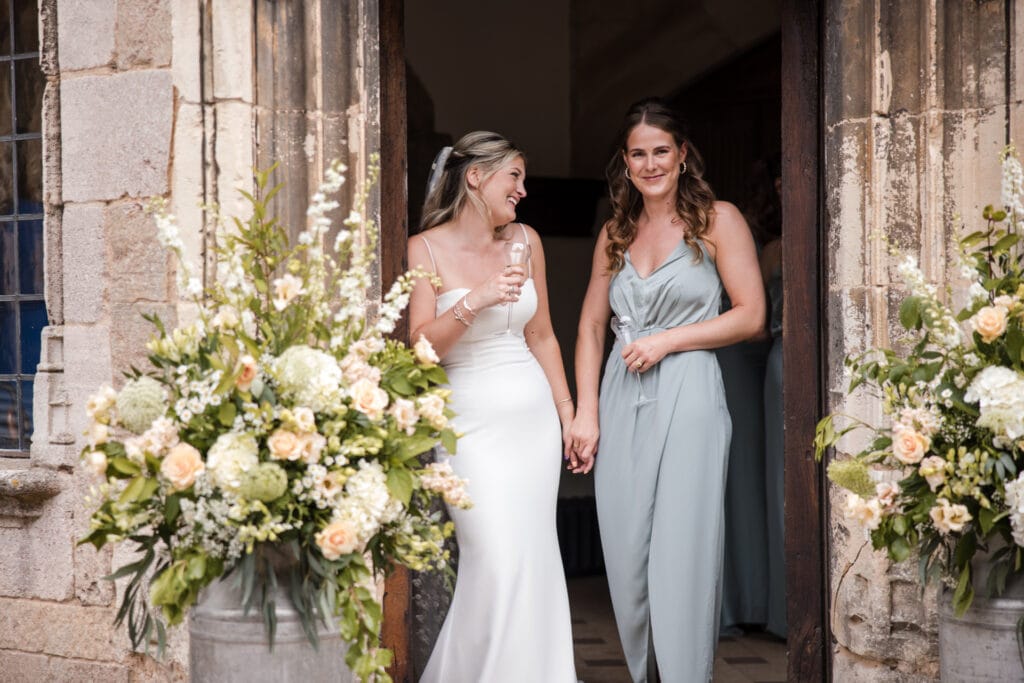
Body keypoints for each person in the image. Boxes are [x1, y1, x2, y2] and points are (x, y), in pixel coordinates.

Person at [570, 98, 765, 682]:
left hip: (691, 392)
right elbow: (589, 327)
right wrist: (585, 413)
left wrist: (668, 341)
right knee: (627, 550)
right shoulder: (615, 230)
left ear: (682, 155)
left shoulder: (718, 220)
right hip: (619, 395)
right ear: (625, 163)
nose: (650, 163)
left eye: (661, 151)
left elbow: (752, 315)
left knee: (683, 548)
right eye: (638, 153)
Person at [408, 131, 581, 683]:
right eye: (516, 177)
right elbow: (419, 352)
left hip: (532, 423)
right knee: (494, 562)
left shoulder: (526, 241)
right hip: (468, 427)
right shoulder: (425, 249)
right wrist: (476, 299)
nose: (524, 191)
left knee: (533, 561)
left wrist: (569, 414)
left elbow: (544, 336)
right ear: (476, 177)